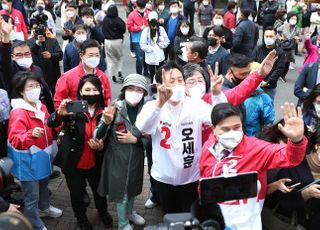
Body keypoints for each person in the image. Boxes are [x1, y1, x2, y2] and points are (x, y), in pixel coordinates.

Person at [135, 61, 228, 214]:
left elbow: (220, 118)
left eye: (180, 80)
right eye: (171, 81)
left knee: (189, 214)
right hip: (164, 177)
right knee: (170, 214)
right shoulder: (152, 107)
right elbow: (142, 128)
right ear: (159, 85)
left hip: (191, 176)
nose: (177, 85)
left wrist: (217, 94)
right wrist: (159, 103)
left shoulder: (196, 105)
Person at [200, 102, 307, 229]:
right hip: (214, 218)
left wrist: (297, 141)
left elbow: (290, 158)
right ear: (214, 129)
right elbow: (203, 179)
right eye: (225, 129)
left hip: (245, 223)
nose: (232, 133)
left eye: (236, 127)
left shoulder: (256, 149)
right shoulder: (209, 146)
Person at [48, 75, 113, 230]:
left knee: (100, 191)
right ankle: (81, 219)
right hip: (74, 161)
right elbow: (51, 123)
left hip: (95, 160)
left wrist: (102, 145)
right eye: (87, 89)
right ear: (80, 91)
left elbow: (111, 136)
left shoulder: (107, 111)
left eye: (95, 89)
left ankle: (103, 212)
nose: (91, 93)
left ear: (101, 91)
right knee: (76, 194)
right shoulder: (71, 108)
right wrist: (60, 114)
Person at [8, 71, 62, 230]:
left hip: (43, 155)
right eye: (30, 86)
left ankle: (44, 208)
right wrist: (30, 135)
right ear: (21, 91)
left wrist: (59, 128)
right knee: (31, 196)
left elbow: (50, 126)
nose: (36, 89)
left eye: (37, 86)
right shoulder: (19, 112)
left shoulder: (42, 106)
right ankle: (35, 223)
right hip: (27, 160)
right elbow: (15, 139)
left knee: (44, 185)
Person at [95, 74, 148, 230]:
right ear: (124, 90)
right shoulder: (114, 108)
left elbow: (153, 138)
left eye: (139, 90)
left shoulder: (147, 111)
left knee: (132, 189)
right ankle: (123, 223)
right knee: (121, 194)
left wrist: (137, 140)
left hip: (136, 158)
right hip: (117, 159)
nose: (134, 92)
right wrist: (106, 122)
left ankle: (130, 213)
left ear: (144, 93)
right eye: (131, 88)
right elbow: (97, 136)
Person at [275, 127, 320, 229]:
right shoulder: (292, 167)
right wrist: (306, 194)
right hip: (294, 223)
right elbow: (282, 203)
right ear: (317, 146)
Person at [54, 39, 112, 109]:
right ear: (81, 56)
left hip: (97, 117)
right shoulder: (67, 77)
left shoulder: (103, 77)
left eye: (97, 55)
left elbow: (107, 100)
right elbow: (58, 102)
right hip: (74, 116)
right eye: (91, 55)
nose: (94, 58)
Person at [28, 20, 63, 95]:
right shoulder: (29, 42)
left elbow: (60, 55)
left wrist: (51, 55)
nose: (38, 30)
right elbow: (30, 54)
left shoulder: (52, 41)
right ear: (31, 29)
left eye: (41, 28)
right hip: (37, 76)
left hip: (52, 75)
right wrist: (37, 44)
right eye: (35, 28)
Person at [252, 27, 286, 100]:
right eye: (266, 36)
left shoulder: (280, 53)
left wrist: (267, 82)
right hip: (255, 84)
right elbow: (252, 63)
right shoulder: (258, 48)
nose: (268, 38)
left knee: (267, 108)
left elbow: (278, 70)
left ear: (276, 37)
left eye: (271, 36)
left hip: (269, 87)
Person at [140, 11, 170, 82]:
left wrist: (160, 45)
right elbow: (142, 45)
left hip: (160, 57)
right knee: (152, 76)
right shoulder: (146, 31)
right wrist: (151, 49)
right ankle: (153, 89)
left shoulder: (161, 30)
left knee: (161, 76)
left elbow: (167, 41)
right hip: (150, 58)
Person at [102, 4, 126, 83]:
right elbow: (123, 30)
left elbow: (102, 30)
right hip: (117, 41)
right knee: (119, 57)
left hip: (107, 41)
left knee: (110, 59)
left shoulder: (105, 19)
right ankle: (119, 71)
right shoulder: (118, 20)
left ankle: (112, 75)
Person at [127, 0, 149, 76]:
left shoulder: (148, 13)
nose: (142, 9)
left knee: (146, 57)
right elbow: (130, 28)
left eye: (143, 7)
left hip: (147, 38)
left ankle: (146, 71)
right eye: (140, 7)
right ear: (136, 5)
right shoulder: (132, 15)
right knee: (140, 58)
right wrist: (139, 28)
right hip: (137, 39)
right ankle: (138, 74)